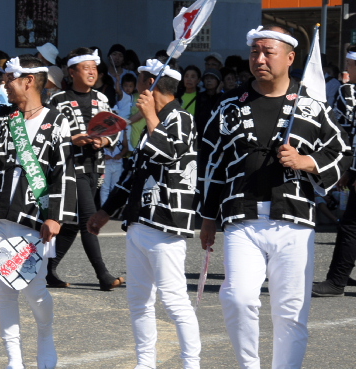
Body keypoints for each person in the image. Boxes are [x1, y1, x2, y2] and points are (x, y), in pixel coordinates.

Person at [198, 25, 352, 368]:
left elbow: (342, 151)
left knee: (291, 312)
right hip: (241, 217)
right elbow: (212, 163)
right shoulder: (228, 106)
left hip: (294, 220)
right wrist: (208, 217)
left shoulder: (312, 106)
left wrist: (306, 161)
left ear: (290, 57)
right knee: (237, 298)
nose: (260, 59)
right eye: (255, 52)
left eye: (268, 52)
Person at [0, 54, 77, 369]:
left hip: (34, 216)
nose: (5, 84)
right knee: (5, 289)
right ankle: (14, 361)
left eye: (10, 79)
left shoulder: (56, 119)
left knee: (34, 290)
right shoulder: (3, 115)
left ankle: (46, 336)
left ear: (29, 81)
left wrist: (55, 216)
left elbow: (64, 171)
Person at [88, 63, 201, 369]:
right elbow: (133, 174)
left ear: (151, 83)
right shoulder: (157, 120)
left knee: (175, 301)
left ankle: (192, 365)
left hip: (167, 222)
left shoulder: (181, 118)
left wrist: (150, 116)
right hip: (139, 221)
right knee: (139, 301)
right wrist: (105, 211)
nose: (136, 86)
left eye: (140, 80)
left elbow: (168, 153)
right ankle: (145, 363)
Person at [48, 47, 124, 291]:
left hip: (96, 167)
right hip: (71, 167)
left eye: (94, 68)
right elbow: (47, 134)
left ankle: (47, 270)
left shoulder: (102, 99)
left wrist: (105, 140)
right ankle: (103, 275)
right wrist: (72, 139)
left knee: (71, 223)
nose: (92, 72)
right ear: (72, 72)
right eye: (86, 68)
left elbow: (114, 128)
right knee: (89, 218)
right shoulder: (58, 100)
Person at [312, 45, 356, 297]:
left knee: (351, 226)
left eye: (350, 65)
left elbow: (347, 128)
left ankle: (337, 280)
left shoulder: (347, 91)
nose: (347, 71)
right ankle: (339, 276)